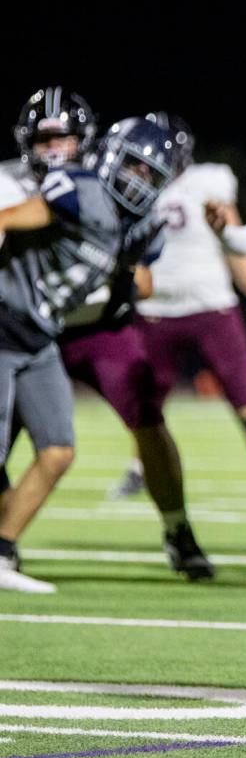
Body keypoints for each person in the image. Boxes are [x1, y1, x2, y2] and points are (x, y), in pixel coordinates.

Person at [0, 114, 178, 592]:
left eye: (151, 176)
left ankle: (2, 553)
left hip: (39, 337)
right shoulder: (80, 188)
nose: (140, 182)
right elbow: (8, 220)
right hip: (4, 324)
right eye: (135, 167)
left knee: (57, 450)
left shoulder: (140, 225)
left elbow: (142, 280)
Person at [108, 113, 246, 510]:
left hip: (210, 307)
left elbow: (234, 246)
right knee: (145, 404)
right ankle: (140, 469)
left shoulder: (208, 182)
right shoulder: (127, 189)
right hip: (154, 309)